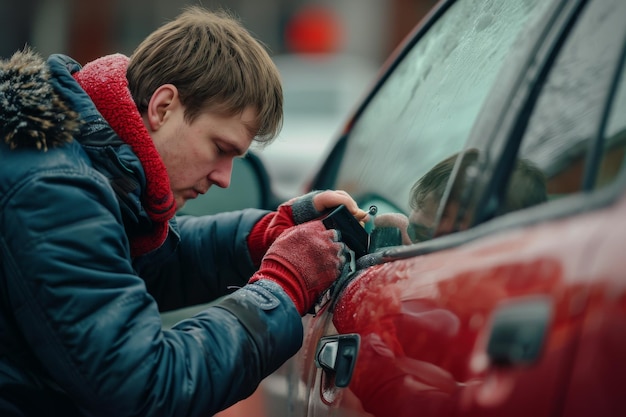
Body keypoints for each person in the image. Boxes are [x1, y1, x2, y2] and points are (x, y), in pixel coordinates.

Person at [0, 6, 368, 417]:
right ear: (163, 107)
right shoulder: (52, 190)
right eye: (219, 149)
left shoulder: (66, 162)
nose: (226, 178)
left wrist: (268, 234)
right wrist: (282, 285)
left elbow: (140, 263)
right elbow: (147, 385)